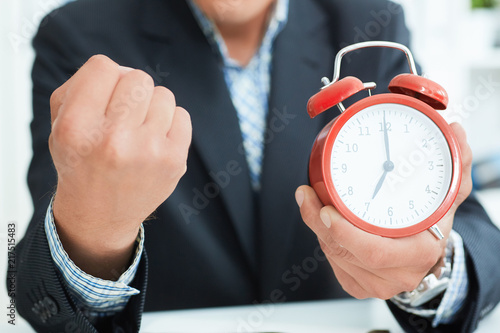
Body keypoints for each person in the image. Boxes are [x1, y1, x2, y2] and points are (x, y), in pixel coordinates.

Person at [10, 0, 500, 332]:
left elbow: (478, 239)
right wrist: (93, 228)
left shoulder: (369, 22)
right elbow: (39, 298)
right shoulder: (78, 35)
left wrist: (430, 270)